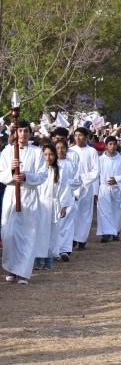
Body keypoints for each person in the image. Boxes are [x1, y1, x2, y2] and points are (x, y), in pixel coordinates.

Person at [1, 121, 48, 285]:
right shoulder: (7, 152)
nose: (22, 134)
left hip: (29, 195)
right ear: (15, 133)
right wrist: (11, 173)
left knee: (27, 234)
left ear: (29, 133)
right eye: (20, 131)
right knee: (9, 233)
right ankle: (12, 269)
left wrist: (27, 177)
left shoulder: (36, 152)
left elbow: (43, 175)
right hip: (12, 195)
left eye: (26, 131)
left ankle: (23, 272)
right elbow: (1, 173)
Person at [33, 144, 70, 271]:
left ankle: (48, 259)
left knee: (51, 234)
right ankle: (38, 259)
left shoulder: (60, 171)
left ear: (55, 156)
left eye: (51, 154)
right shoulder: (38, 171)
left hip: (53, 205)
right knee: (39, 233)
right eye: (45, 154)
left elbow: (65, 189)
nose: (48, 157)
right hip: (40, 205)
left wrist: (64, 206)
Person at [95, 136, 121, 243]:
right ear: (106, 146)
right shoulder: (100, 160)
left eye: (114, 144)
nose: (112, 146)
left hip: (117, 190)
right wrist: (95, 191)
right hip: (104, 189)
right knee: (104, 211)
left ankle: (115, 232)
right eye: (110, 144)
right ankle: (106, 233)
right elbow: (96, 175)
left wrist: (117, 179)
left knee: (116, 211)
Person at [71, 127, 99, 251]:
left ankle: (82, 239)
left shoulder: (92, 151)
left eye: (80, 135)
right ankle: (71, 239)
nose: (78, 138)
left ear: (86, 137)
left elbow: (96, 170)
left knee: (85, 214)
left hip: (87, 187)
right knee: (73, 213)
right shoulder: (70, 151)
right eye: (76, 135)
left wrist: (84, 179)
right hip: (73, 187)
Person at [53, 139, 79, 262]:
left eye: (62, 148)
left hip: (68, 198)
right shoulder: (52, 164)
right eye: (57, 148)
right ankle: (55, 250)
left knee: (67, 225)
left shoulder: (71, 163)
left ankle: (65, 250)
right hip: (55, 199)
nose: (60, 150)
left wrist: (68, 185)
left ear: (66, 149)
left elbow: (78, 179)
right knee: (56, 225)